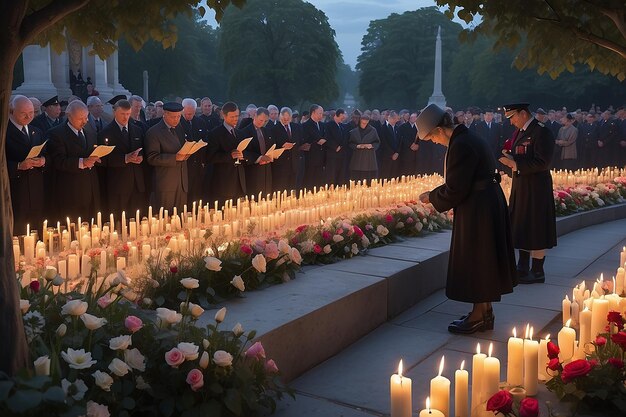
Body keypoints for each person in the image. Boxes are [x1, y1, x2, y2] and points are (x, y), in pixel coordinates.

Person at [417, 104, 516, 334]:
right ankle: (484, 312)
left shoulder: (460, 144)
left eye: (432, 138)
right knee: (484, 258)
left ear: (440, 130)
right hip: (484, 203)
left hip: (479, 208)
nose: (435, 142)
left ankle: (479, 315)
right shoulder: (468, 136)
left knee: (478, 259)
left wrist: (431, 196)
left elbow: (456, 188)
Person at [498, 103, 556, 284]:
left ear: (523, 114)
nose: (511, 122)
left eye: (512, 117)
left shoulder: (541, 132)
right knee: (522, 225)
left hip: (536, 189)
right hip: (522, 186)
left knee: (536, 228)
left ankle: (537, 271)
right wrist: (511, 159)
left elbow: (542, 162)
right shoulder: (521, 132)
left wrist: (515, 164)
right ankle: (522, 267)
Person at [47, 100, 101, 220]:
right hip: (70, 191)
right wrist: (82, 162)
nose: (84, 121)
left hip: (90, 188)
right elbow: (58, 161)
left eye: (86, 117)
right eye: (80, 118)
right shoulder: (56, 134)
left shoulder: (90, 132)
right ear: (69, 116)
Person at [97, 99, 146, 217]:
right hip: (118, 184)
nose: (125, 118)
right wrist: (124, 158)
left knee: (137, 220)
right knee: (120, 220)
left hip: (137, 183)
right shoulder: (105, 133)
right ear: (114, 112)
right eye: (122, 114)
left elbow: (143, 150)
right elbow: (101, 159)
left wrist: (140, 158)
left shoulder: (137, 130)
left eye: (128, 114)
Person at [6, 95, 46, 234]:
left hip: (36, 190)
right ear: (11, 111)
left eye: (31, 113)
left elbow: (46, 154)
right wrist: (18, 165)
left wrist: (43, 161)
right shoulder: (5, 132)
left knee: (37, 231)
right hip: (16, 190)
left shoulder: (36, 131)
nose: (28, 117)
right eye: (24, 113)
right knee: (20, 231)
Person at [145, 102, 189, 211]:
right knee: (165, 218)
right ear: (165, 114)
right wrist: (174, 158)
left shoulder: (179, 128)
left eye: (179, 116)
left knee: (180, 219)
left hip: (182, 182)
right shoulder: (154, 132)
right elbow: (152, 157)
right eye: (173, 117)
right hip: (166, 184)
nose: (176, 120)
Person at [206, 102, 247, 206]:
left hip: (239, 180)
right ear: (224, 116)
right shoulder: (215, 134)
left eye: (237, 116)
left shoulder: (240, 133)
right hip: (223, 183)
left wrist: (244, 156)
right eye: (232, 116)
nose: (235, 119)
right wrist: (230, 155)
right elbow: (210, 157)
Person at [238, 107, 274, 197]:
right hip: (253, 170)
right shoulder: (244, 132)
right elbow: (243, 152)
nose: (262, 123)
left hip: (266, 170)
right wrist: (258, 158)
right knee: (254, 196)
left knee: (266, 196)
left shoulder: (266, 131)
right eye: (260, 120)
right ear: (255, 116)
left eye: (265, 121)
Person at [348, 113, 379, 184]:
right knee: (356, 178)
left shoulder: (373, 130)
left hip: (369, 158)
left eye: (366, 123)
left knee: (368, 178)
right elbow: (350, 143)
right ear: (360, 121)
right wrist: (357, 146)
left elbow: (377, 142)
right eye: (362, 123)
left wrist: (371, 145)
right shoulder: (353, 131)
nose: (364, 125)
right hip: (357, 158)